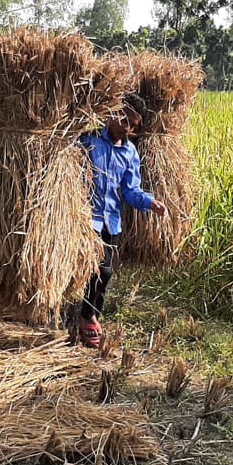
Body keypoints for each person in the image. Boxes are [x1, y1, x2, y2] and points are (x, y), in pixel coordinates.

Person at [76, 94, 167, 348]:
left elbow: (130, 190)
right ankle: (73, 311)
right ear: (110, 114)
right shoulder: (89, 140)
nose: (126, 126)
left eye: (131, 124)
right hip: (84, 217)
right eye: (123, 119)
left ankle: (89, 315)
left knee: (104, 271)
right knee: (82, 269)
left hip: (110, 221)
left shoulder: (129, 152)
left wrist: (150, 202)